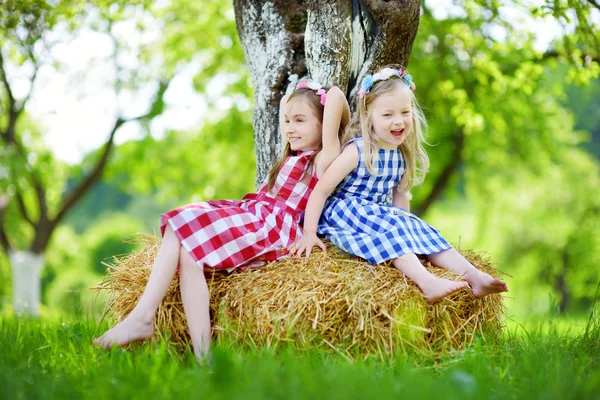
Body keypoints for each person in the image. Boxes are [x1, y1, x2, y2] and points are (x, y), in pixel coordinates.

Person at [93, 81, 351, 361]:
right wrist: (296, 101)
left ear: (323, 124)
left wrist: (316, 91)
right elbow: (286, 103)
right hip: (251, 213)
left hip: (270, 228)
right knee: (189, 254)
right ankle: (205, 360)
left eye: (300, 121)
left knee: (184, 221)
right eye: (288, 121)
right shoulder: (288, 154)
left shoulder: (324, 158)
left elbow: (336, 95)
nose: (290, 128)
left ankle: (143, 316)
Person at [292, 66, 508, 303]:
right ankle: (428, 283)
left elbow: (401, 200)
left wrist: (406, 229)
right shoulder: (359, 150)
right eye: (388, 115)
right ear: (369, 116)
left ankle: (474, 276)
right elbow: (322, 189)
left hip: (378, 215)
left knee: (420, 228)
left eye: (405, 112)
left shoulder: (402, 155)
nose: (398, 121)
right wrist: (309, 233)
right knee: (391, 230)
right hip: (345, 211)